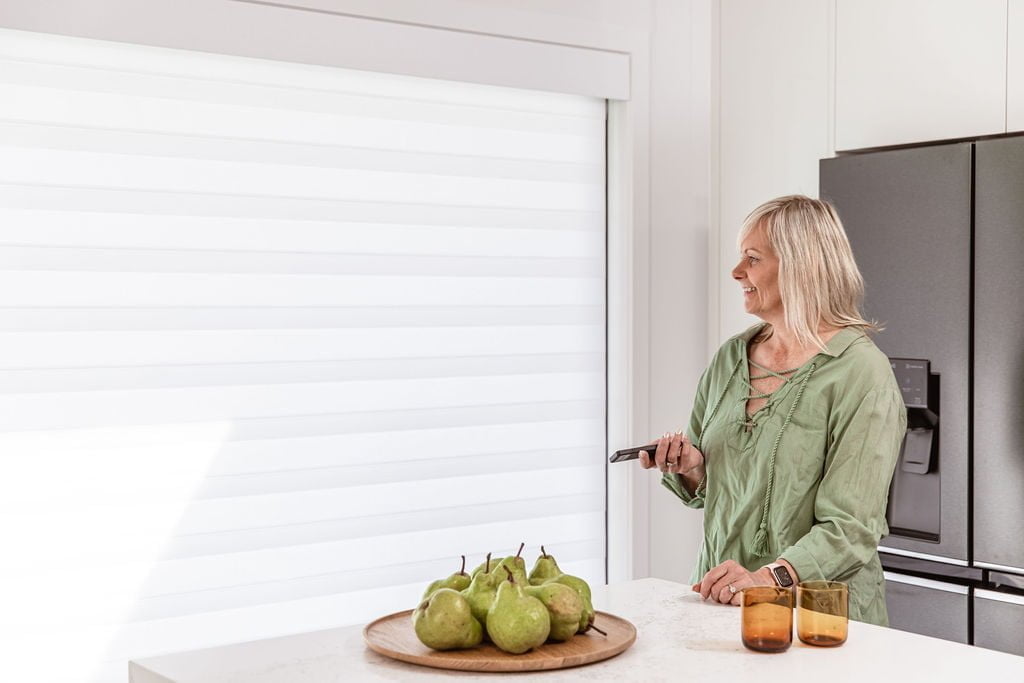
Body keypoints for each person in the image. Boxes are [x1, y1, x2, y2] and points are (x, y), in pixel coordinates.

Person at [639, 195, 906, 626]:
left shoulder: (860, 372)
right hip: (721, 602)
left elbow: (851, 529)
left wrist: (767, 579)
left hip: (819, 622)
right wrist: (692, 468)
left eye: (752, 258)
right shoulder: (731, 359)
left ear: (801, 266)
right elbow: (720, 493)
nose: (736, 271)